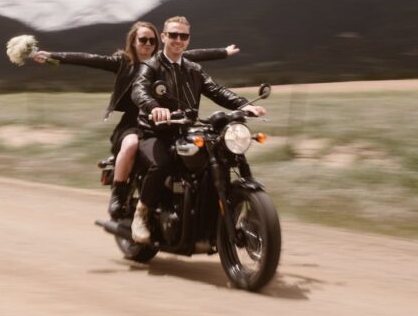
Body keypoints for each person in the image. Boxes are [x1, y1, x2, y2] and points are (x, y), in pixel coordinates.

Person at [32, 21, 240, 218]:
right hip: (133, 122)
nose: (148, 44)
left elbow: (195, 55)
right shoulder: (123, 62)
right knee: (131, 144)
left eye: (151, 41)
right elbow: (88, 58)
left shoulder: (163, 62)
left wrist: (224, 52)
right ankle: (119, 193)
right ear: (133, 41)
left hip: (164, 122)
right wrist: (54, 56)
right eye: (143, 40)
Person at [129, 15, 266, 243]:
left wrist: (245, 105)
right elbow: (139, 90)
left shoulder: (193, 69)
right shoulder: (150, 66)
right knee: (161, 163)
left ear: (188, 40)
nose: (178, 40)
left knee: (220, 156)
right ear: (163, 37)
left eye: (183, 36)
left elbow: (217, 90)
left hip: (185, 131)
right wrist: (154, 107)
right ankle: (141, 214)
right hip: (155, 132)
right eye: (173, 35)